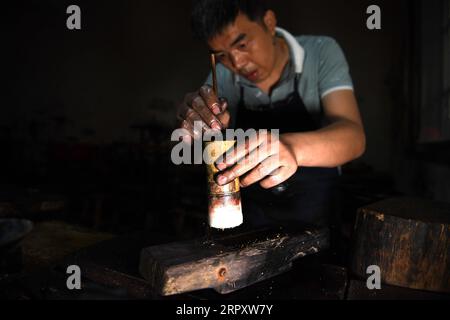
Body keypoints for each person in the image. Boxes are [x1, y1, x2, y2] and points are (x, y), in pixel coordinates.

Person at [177, 0, 366, 229]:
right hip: (255, 217)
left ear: (269, 22)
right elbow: (190, 150)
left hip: (317, 214)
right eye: (222, 55)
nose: (237, 63)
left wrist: (291, 149)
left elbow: (354, 138)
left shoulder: (320, 51)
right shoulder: (222, 76)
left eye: (243, 45)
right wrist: (194, 130)